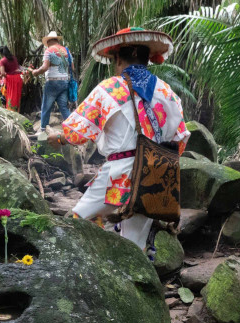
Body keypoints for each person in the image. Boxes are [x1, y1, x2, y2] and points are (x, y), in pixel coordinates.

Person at [47, 27, 190, 251]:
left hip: (118, 176)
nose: (115, 65)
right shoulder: (167, 92)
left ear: (129, 54)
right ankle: (134, 282)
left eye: (116, 59)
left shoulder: (110, 88)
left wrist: (58, 138)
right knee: (134, 245)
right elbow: (180, 141)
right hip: (154, 179)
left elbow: (78, 133)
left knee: (78, 220)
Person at [30, 31, 72, 136]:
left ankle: (43, 130)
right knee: (63, 107)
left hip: (53, 82)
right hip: (64, 82)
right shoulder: (67, 51)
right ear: (57, 40)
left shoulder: (49, 50)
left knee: (46, 107)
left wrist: (35, 72)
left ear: (49, 41)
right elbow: (73, 67)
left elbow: (44, 67)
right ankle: (73, 128)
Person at [0, 45, 23, 112]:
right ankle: (18, 111)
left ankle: (10, 112)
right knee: (17, 96)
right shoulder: (14, 58)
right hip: (18, 78)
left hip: (10, 80)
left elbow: (3, 73)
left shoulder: (2, 60)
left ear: (1, 53)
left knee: (9, 96)